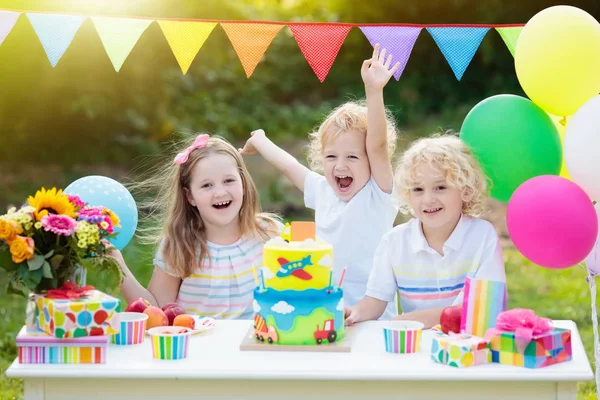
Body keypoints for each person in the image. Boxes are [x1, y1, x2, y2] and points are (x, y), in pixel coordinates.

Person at [239, 44, 400, 317]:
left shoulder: (379, 194)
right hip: (324, 309)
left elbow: (378, 144)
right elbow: (290, 166)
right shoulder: (323, 190)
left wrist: (374, 91)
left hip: (372, 314)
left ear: (371, 162)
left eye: (352, 157)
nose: (340, 166)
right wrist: (261, 140)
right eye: (331, 157)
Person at [110, 134, 282, 319]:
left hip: (257, 343)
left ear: (243, 184)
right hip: (200, 346)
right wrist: (118, 264)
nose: (220, 192)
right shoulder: (180, 245)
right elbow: (155, 312)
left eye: (229, 181)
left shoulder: (269, 233)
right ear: (190, 196)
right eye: (207, 185)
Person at [345, 134, 506, 327]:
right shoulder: (394, 242)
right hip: (416, 346)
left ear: (465, 190)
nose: (428, 199)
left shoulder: (482, 236)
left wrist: (416, 319)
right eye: (418, 190)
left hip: (466, 346)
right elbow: (375, 301)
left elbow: (485, 309)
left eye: (440, 187)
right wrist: (354, 313)